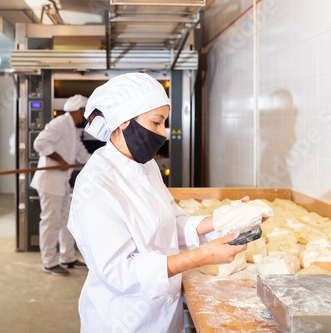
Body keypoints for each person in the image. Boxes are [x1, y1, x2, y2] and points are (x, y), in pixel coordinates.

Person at [67, 73, 247, 332]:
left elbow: (168, 223)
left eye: (164, 122)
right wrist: (200, 257)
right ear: (125, 121)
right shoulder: (96, 184)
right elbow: (119, 272)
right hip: (123, 320)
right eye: (156, 122)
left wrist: (223, 219)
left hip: (163, 319)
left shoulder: (146, 166)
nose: (163, 133)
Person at [30, 94, 92, 276]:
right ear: (80, 110)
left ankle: (68, 257)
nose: (85, 116)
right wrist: (60, 160)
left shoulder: (72, 128)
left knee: (66, 220)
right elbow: (39, 143)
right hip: (50, 182)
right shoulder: (60, 123)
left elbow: (81, 153)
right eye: (85, 112)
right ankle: (49, 262)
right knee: (51, 222)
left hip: (61, 182)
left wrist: (101, 164)